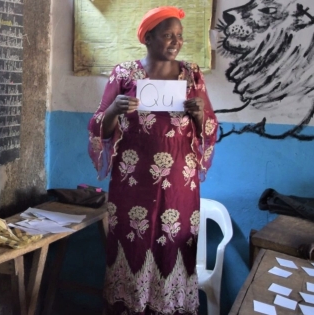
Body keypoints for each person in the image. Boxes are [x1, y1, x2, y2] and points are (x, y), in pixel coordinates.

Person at [87, 6, 218, 315]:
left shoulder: (192, 74)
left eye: (180, 37)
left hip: (179, 186)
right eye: (168, 35)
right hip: (132, 182)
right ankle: (128, 305)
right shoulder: (123, 74)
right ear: (147, 38)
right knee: (133, 243)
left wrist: (199, 115)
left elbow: (209, 129)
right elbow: (97, 127)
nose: (175, 42)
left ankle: (171, 306)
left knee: (174, 244)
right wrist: (114, 111)